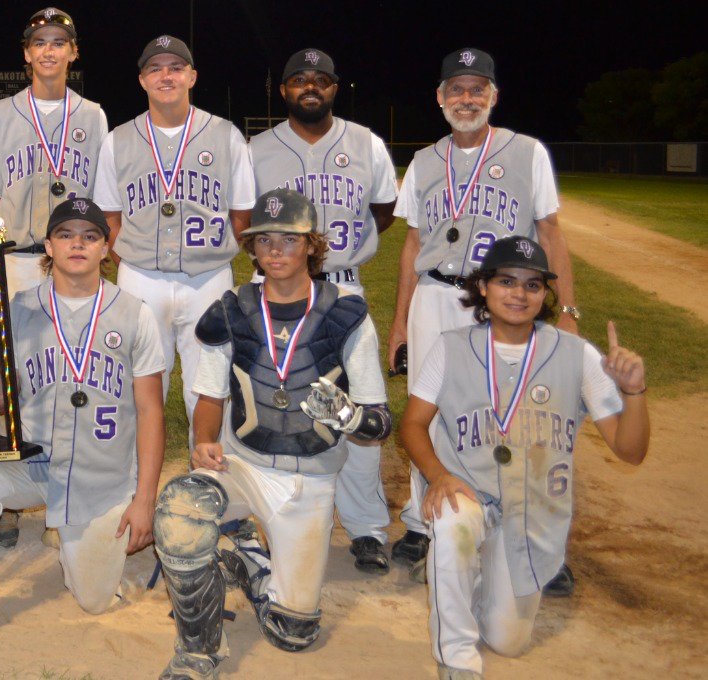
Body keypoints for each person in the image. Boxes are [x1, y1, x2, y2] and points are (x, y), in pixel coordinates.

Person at [152, 188, 391, 679]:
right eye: (265, 241)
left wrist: (348, 417)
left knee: (293, 633)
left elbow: (379, 420)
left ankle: (249, 557)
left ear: (311, 245)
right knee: (181, 509)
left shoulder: (346, 313)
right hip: (246, 466)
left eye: (289, 239)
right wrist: (203, 441)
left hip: (312, 480)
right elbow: (210, 394)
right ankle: (198, 652)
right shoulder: (233, 309)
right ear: (252, 249)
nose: (276, 250)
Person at [0, 197, 165, 650]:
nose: (78, 243)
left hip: (100, 475)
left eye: (90, 236)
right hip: (32, 461)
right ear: (48, 247)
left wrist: (144, 499)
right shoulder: (17, 309)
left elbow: (151, 411)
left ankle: (76, 531)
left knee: (93, 600)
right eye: (66, 235)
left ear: (106, 248)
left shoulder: (136, 313)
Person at [400, 236, 648, 679]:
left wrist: (633, 393)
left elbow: (630, 451)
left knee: (507, 642)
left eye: (533, 285)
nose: (519, 293)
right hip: (467, 490)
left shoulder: (577, 355)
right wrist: (437, 476)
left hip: (533, 512)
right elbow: (413, 425)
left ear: (545, 295)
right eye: (506, 281)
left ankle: (473, 578)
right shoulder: (451, 346)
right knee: (453, 525)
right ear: (483, 288)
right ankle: (455, 658)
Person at [387, 49, 578, 591]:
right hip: (434, 294)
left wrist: (566, 312)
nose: (466, 99)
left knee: (515, 414)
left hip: (505, 300)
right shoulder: (425, 160)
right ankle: (423, 521)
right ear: (440, 97)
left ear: (493, 96)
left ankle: (530, 535)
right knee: (430, 409)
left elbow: (551, 234)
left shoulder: (526, 152)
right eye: (456, 89)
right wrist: (400, 322)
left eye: (477, 89)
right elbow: (414, 245)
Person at [249, 47, 397, 574]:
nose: (310, 86)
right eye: (298, 79)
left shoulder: (366, 143)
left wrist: (343, 250)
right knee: (271, 402)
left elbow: (384, 211)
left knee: (355, 407)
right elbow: (243, 216)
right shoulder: (258, 148)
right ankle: (273, 516)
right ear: (282, 89)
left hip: (342, 288)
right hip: (271, 290)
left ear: (335, 87)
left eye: (321, 79)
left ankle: (366, 527)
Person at [97, 34, 254, 421]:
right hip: (140, 278)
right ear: (142, 80)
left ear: (192, 76)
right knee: (140, 385)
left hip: (208, 278)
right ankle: (135, 479)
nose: (165, 76)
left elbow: (242, 214)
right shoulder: (118, 139)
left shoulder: (226, 134)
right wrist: (132, 263)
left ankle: (207, 477)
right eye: (155, 68)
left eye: (175, 67)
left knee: (211, 384)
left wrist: (215, 255)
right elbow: (109, 218)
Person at [0, 7, 107, 294]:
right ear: (27, 53)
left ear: (73, 52)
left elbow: (100, 196)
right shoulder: (0, 114)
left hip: (75, 258)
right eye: (39, 43)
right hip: (17, 259)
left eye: (59, 43)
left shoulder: (92, 115)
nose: (48, 51)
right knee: (14, 339)